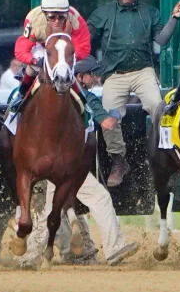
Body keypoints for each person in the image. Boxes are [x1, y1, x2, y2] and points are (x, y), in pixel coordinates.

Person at [20, 58, 140, 266]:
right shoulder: (83, 98)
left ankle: (31, 255)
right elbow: (105, 121)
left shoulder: (58, 99)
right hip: (68, 167)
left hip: (56, 163)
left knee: (51, 208)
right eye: (91, 74)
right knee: (99, 198)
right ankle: (114, 248)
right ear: (78, 77)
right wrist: (112, 114)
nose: (95, 78)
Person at [88, 0, 180, 187]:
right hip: (115, 75)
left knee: (159, 108)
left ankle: (168, 157)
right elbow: (86, 39)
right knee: (109, 118)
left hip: (143, 71)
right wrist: (89, 67)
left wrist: (174, 18)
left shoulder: (149, 12)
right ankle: (118, 160)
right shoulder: (103, 13)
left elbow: (161, 40)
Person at [12, 0, 92, 94]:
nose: (57, 21)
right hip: (42, 46)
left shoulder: (76, 20)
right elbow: (21, 50)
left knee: (70, 68)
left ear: (67, 14)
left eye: (61, 17)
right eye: (52, 17)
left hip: (65, 47)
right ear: (44, 14)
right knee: (33, 67)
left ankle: (83, 100)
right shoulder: (33, 20)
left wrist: (70, 57)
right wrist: (33, 60)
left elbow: (84, 46)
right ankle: (21, 96)